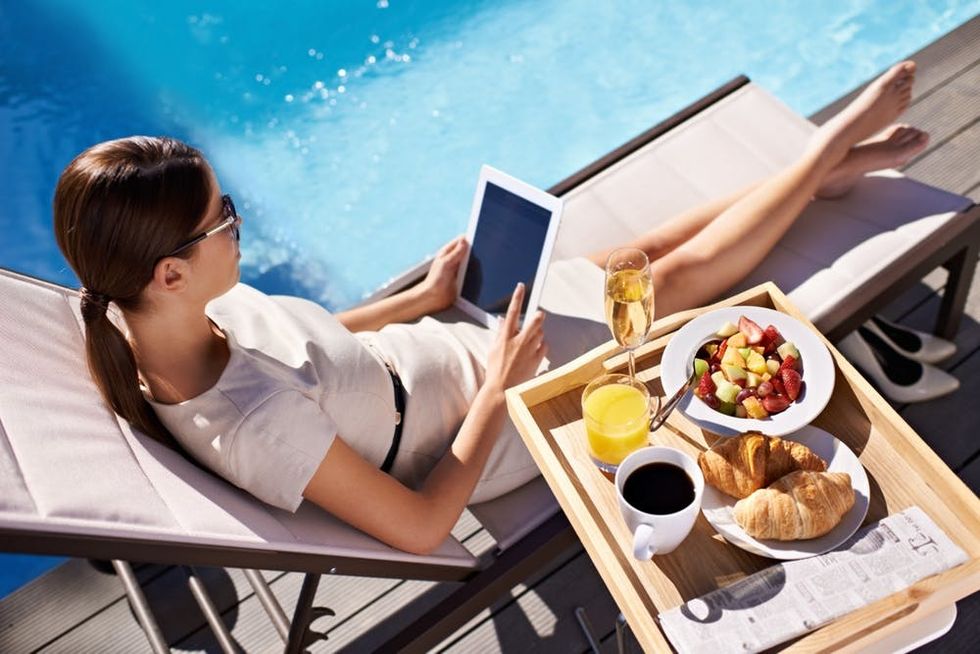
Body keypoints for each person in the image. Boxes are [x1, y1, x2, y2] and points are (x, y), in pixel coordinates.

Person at [54, 61, 923, 555]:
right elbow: (426, 527)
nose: (239, 227)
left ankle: (818, 178)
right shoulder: (252, 429)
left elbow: (307, 351)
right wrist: (503, 382)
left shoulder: (155, 325)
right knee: (676, 274)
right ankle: (824, 148)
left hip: (449, 340)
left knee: (640, 252)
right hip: (497, 411)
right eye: (224, 220)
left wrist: (417, 302)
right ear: (169, 272)